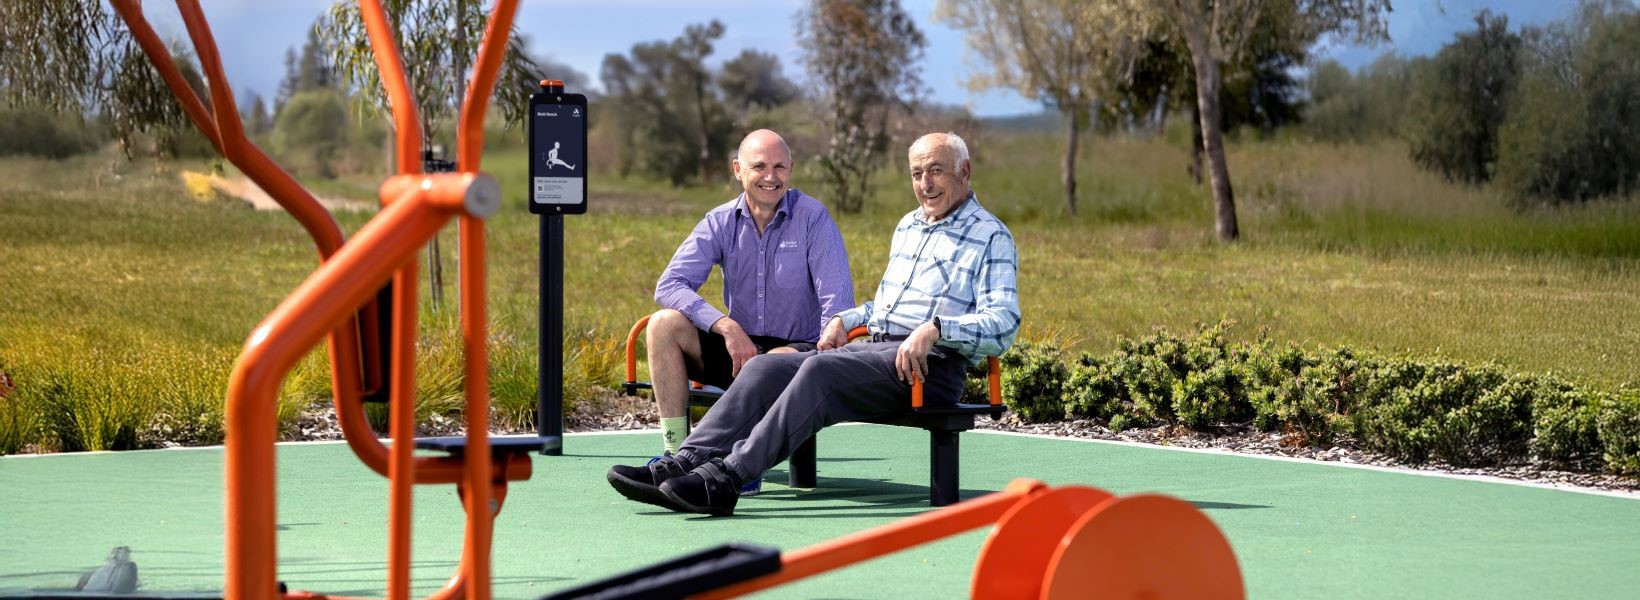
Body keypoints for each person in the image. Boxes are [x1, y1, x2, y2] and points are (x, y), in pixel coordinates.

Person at [607, 132, 1019, 516]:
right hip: (877, 350)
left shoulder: (990, 235)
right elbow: (885, 308)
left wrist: (935, 329)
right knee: (764, 366)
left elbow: (1003, 323)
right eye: (917, 173)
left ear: (964, 172)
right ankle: (683, 461)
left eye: (936, 171)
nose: (925, 184)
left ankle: (728, 477)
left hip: (930, 366)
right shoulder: (910, 225)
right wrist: (844, 319)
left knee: (820, 368)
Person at [633, 128, 854, 497]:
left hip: (797, 352)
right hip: (739, 348)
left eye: (779, 167)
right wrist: (724, 325)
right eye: (759, 166)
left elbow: (838, 306)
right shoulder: (719, 221)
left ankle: (738, 464)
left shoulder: (813, 218)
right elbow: (669, 285)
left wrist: (822, 349)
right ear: (738, 169)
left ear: (791, 169)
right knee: (662, 325)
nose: (771, 176)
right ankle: (676, 455)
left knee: (764, 365)